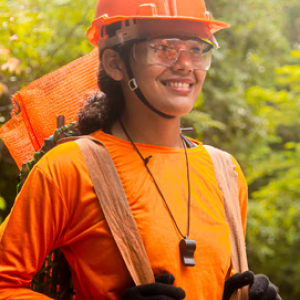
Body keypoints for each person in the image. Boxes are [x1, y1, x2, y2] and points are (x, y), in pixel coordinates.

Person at [0, 0, 281, 299]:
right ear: (115, 63)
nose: (185, 64)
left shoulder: (226, 172)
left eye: (197, 49)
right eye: (164, 47)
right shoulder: (69, 169)